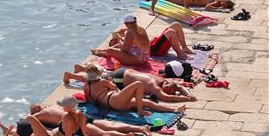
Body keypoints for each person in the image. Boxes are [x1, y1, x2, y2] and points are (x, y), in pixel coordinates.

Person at [82, 64, 186, 115]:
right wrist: (111, 83)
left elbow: (91, 100)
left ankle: (174, 110)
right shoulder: (102, 82)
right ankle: (140, 110)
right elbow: (114, 88)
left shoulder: (86, 86)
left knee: (147, 102)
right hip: (115, 99)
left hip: (112, 104)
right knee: (138, 84)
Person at [29, 103, 152, 136]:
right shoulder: (53, 106)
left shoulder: (41, 113)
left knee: (102, 133)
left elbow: (29, 119)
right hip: (82, 115)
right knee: (110, 125)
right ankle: (141, 128)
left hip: (75, 122)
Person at [64, 66, 197, 103]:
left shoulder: (162, 80)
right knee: (95, 82)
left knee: (102, 76)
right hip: (120, 78)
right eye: (170, 90)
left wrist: (187, 94)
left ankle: (81, 68)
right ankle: (71, 75)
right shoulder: (154, 85)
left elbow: (179, 86)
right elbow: (166, 98)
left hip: (125, 72)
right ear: (167, 85)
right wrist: (186, 98)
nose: (170, 92)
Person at [26, 96, 94, 136]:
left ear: (67, 107)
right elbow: (86, 132)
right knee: (36, 133)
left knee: (30, 118)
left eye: (63, 105)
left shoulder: (67, 118)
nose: (62, 107)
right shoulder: (81, 115)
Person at [109, 22, 194, 60]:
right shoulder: (121, 45)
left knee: (176, 25)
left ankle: (184, 48)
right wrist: (118, 39)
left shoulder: (125, 37)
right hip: (154, 49)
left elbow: (115, 34)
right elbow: (117, 47)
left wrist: (119, 34)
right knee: (170, 32)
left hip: (154, 43)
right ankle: (180, 54)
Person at [146, 0, 235, 10]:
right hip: (192, 0)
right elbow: (207, 7)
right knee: (172, 0)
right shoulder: (217, 2)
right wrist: (218, 8)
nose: (223, 6)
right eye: (225, 5)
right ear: (226, 2)